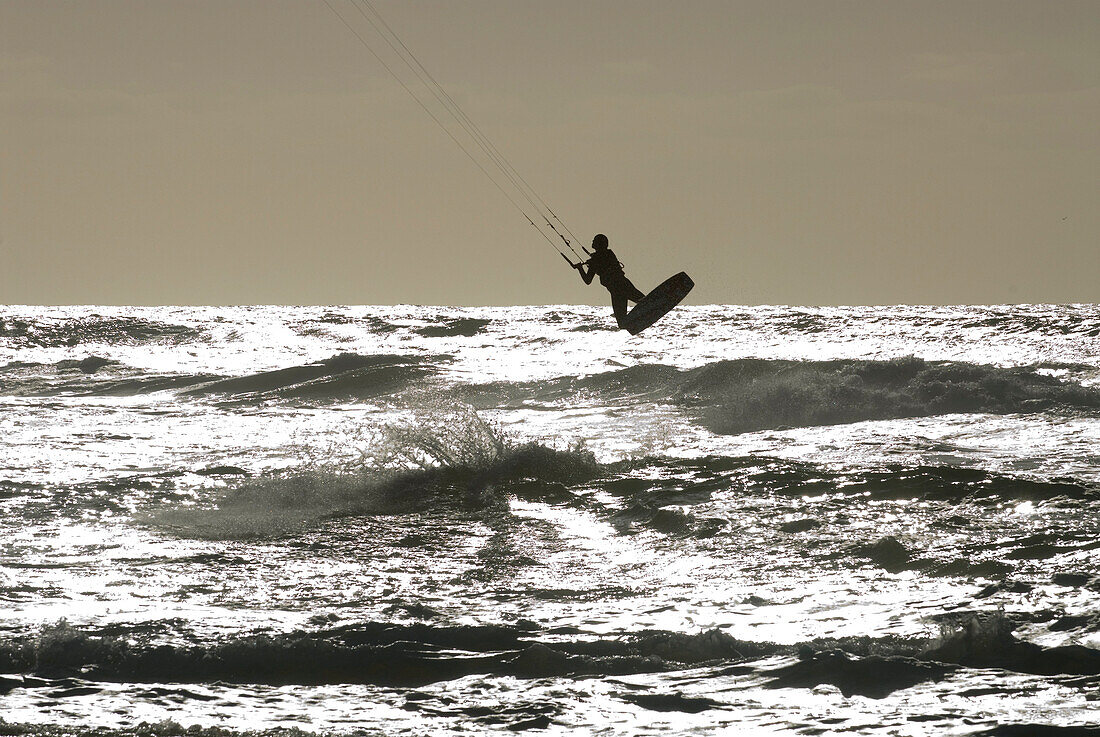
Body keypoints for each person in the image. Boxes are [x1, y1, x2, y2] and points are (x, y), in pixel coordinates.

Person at [574, 234, 646, 329]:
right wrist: (592, 263)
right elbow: (602, 260)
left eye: (594, 241)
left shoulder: (595, 260)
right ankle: (643, 316)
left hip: (618, 288)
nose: (592, 242)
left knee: (637, 308)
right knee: (639, 305)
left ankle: (643, 315)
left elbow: (588, 280)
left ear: (599, 244)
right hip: (622, 286)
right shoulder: (609, 254)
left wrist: (580, 268)